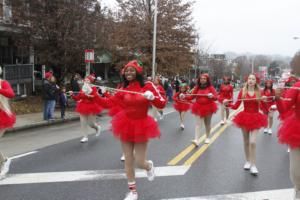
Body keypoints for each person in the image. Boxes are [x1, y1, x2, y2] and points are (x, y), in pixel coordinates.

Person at [102, 60, 166, 200]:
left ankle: (149, 167)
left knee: (140, 162)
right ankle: (133, 191)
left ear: (138, 71)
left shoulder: (148, 85)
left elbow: (162, 103)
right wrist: (97, 95)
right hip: (125, 124)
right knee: (128, 160)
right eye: (126, 70)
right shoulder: (123, 87)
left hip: (142, 125)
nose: (128, 72)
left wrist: (152, 96)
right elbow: (109, 103)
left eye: (132, 70)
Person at [225, 74, 267, 175]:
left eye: (253, 79)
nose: (251, 80)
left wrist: (265, 101)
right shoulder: (242, 91)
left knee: (253, 142)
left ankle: (253, 165)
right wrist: (227, 104)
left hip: (256, 117)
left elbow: (264, 107)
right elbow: (236, 106)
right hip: (244, 117)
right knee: (246, 141)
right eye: (249, 78)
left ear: (256, 81)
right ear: (247, 80)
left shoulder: (259, 92)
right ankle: (248, 161)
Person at [275, 80, 300, 200]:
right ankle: (298, 189)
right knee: (296, 170)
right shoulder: (297, 86)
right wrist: (278, 98)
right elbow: (284, 108)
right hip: (297, 130)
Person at [181, 73, 218, 146]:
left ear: (207, 80)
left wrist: (212, 96)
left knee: (207, 124)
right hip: (198, 107)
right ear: (199, 80)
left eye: (204, 79)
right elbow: (191, 97)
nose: (203, 80)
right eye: (201, 79)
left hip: (208, 107)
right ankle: (196, 139)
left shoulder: (210, 88)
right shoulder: (197, 87)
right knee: (198, 124)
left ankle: (207, 137)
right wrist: (184, 96)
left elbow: (216, 97)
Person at [70, 74, 102, 143]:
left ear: (90, 81)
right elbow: (78, 98)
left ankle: (97, 127)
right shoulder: (83, 88)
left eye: (88, 80)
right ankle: (85, 137)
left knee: (91, 123)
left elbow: (94, 97)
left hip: (91, 106)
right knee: (83, 122)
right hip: (82, 106)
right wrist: (72, 94)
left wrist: (89, 95)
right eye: (85, 80)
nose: (86, 81)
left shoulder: (93, 88)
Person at [0, 66, 16, 178]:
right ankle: (4, 160)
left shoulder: (3, 83)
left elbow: (11, 94)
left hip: (2, 116)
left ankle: (4, 161)